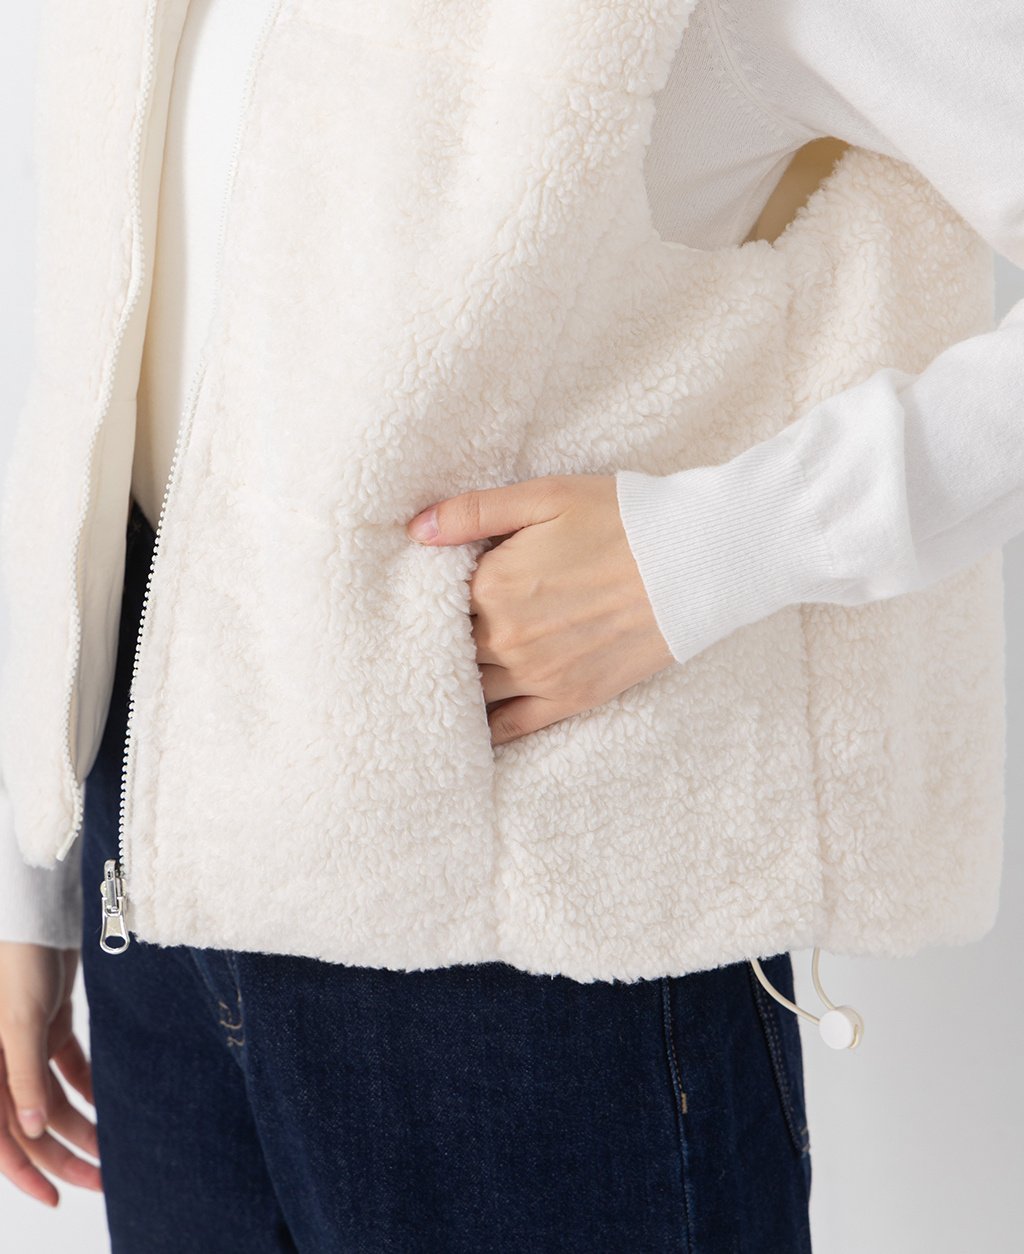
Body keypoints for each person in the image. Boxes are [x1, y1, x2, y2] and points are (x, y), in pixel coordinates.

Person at [0, 0, 1021, 1248]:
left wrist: (705, 551)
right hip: (153, 888)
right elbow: (102, 329)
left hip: (527, 938)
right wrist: (29, 865)